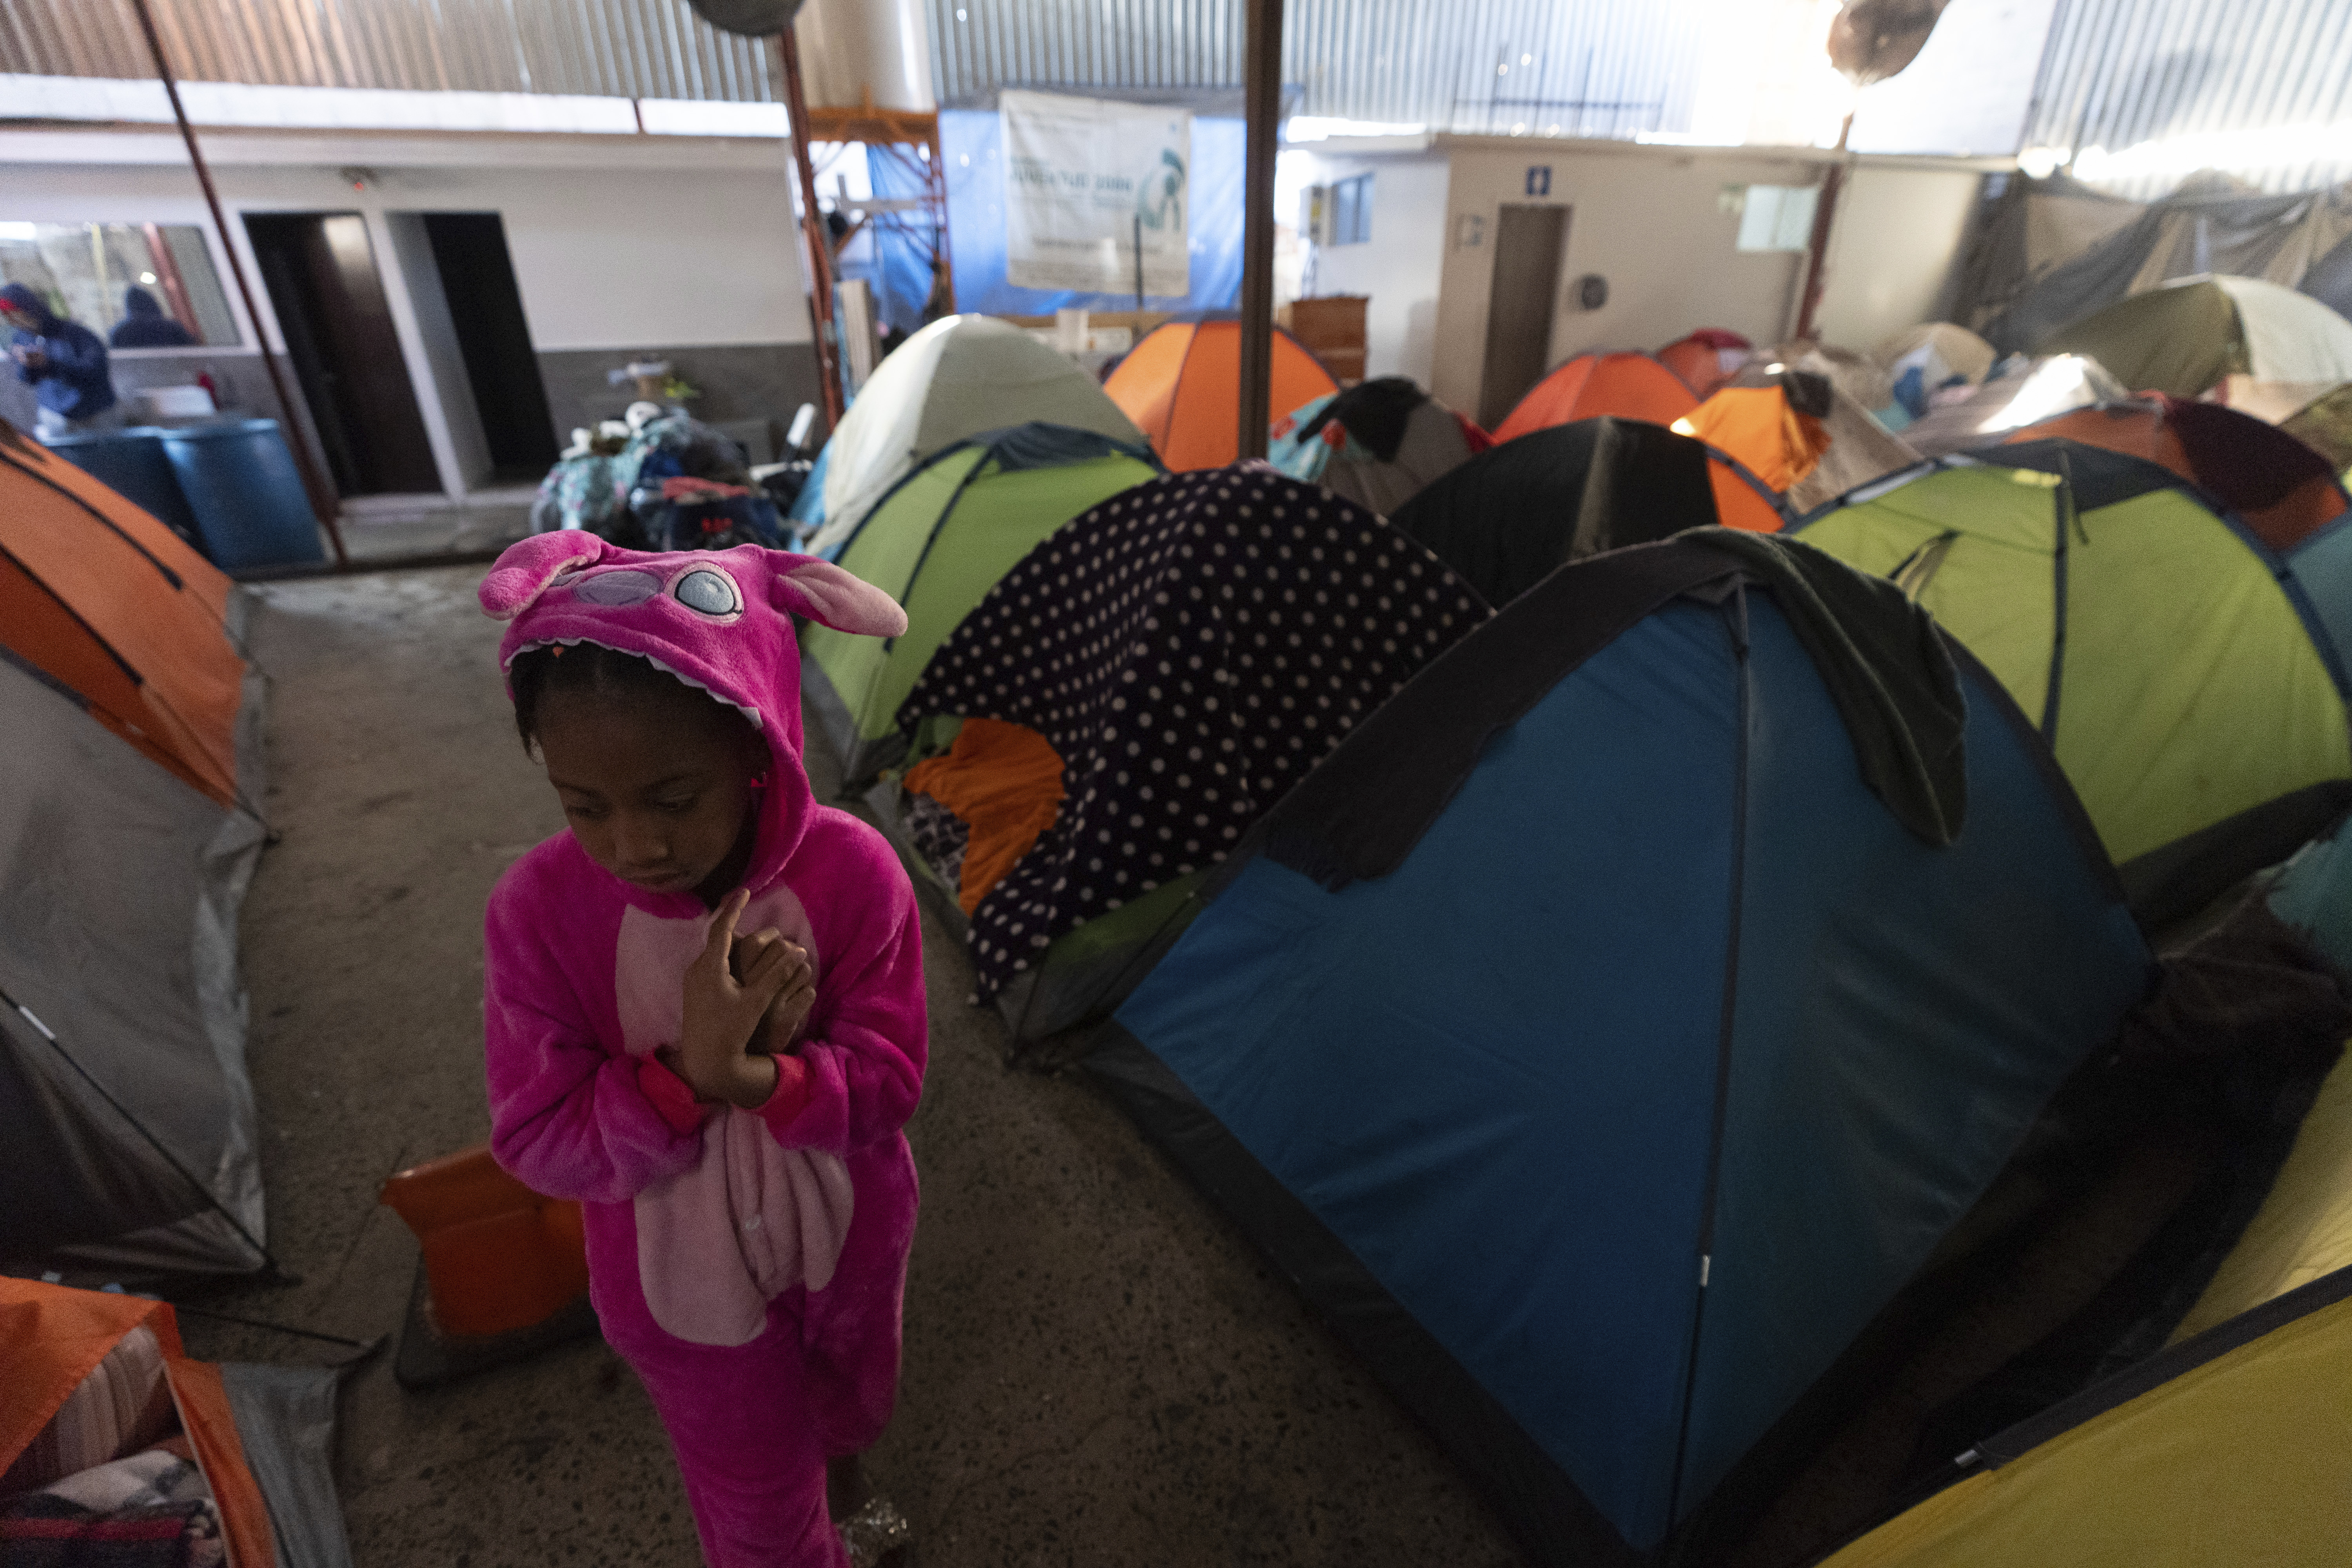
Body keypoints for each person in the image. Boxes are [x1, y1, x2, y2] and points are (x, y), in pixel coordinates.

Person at [477, 534, 923, 1568]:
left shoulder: (855, 874)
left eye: (673, 799)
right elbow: (538, 1139)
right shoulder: (539, 914)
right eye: (585, 806)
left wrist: (767, 1078)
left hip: (851, 1241)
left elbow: (891, 1083)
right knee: (757, 1510)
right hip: (683, 1297)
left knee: (852, 1395)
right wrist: (687, 1080)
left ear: (759, 747)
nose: (634, 845)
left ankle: (843, 1469)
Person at [1, 281, 122, 435]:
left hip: (94, 415)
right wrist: (26, 365)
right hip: (54, 418)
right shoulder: (22, 338)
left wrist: (49, 364)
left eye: (18, 314)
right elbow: (28, 380)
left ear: (31, 309)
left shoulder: (75, 334)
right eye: (8, 317)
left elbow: (95, 372)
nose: (14, 321)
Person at [111, 285, 197, 348]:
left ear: (129, 307)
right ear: (153, 303)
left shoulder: (120, 333)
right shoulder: (173, 328)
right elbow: (192, 353)